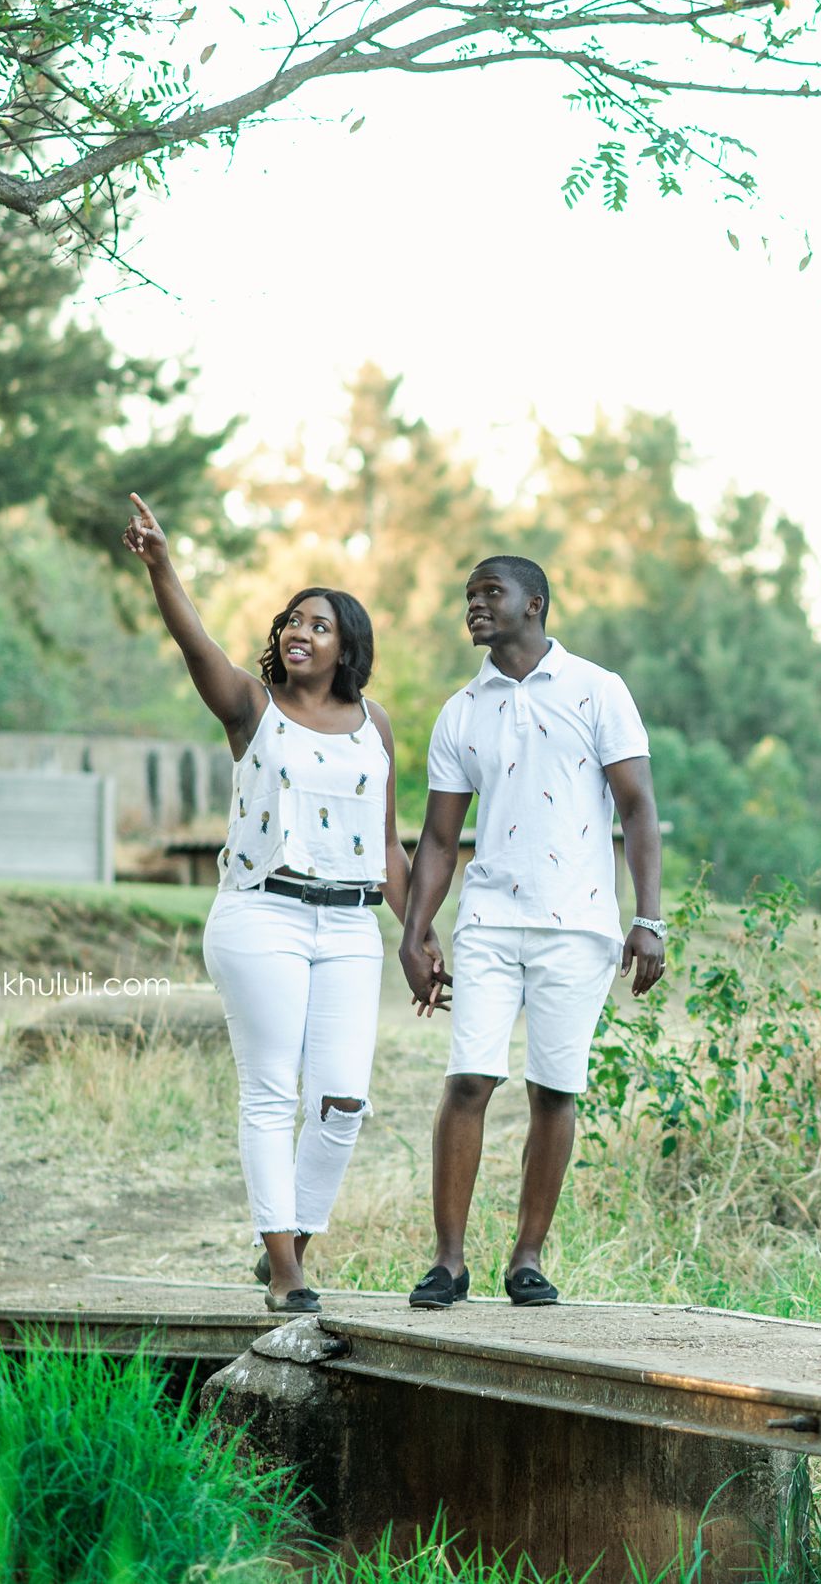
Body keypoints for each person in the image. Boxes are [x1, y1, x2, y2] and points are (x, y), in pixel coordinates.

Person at [122, 494, 408, 1314]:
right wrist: (160, 564)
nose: (300, 631)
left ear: (347, 645)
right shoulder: (252, 707)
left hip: (351, 923)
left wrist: (415, 934)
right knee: (272, 1092)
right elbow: (194, 641)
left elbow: (386, 843)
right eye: (292, 619)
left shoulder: (374, 726)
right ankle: (285, 1267)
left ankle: (291, 1237)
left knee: (345, 1098)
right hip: (262, 916)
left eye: (319, 625)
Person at [398, 554, 666, 1309]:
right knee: (469, 1079)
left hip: (579, 922)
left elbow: (639, 808)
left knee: (554, 1089)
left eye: (491, 593)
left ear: (535, 603)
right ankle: (448, 1262)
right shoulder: (462, 710)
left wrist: (647, 919)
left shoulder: (598, 689)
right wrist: (415, 931)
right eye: (469, 596)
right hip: (489, 919)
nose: (475, 606)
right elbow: (441, 839)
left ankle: (527, 1256)